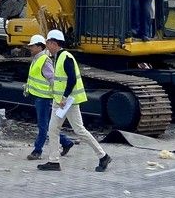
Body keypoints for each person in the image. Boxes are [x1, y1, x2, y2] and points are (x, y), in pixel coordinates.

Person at [37, 31, 111, 173]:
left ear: (54, 43)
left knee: (79, 130)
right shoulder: (57, 57)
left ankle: (103, 156)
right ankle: (53, 161)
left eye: (48, 43)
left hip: (68, 102)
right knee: (53, 129)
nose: (46, 46)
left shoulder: (65, 57)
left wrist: (64, 97)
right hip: (60, 102)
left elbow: (72, 79)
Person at [23, 33, 74, 161]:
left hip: (44, 98)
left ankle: (37, 150)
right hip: (39, 96)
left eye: (32, 46)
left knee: (43, 125)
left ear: (40, 47)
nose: (30, 48)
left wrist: (58, 95)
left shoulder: (44, 60)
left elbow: (53, 79)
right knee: (46, 125)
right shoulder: (37, 58)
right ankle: (66, 142)